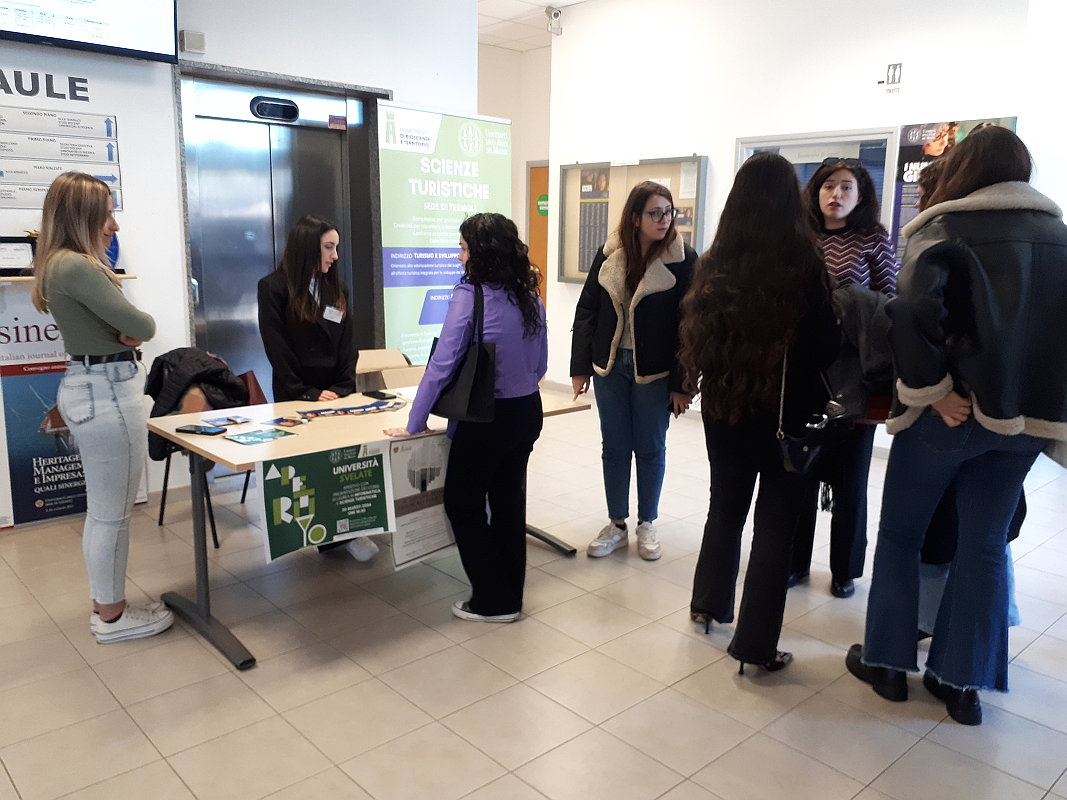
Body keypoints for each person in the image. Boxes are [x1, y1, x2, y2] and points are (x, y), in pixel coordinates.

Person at [846, 126, 1067, 725]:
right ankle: (960, 683)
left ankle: (889, 665)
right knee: (985, 545)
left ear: (966, 166)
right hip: (1021, 427)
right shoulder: (1059, 238)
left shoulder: (942, 228)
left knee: (900, 535)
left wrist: (935, 391)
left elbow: (913, 311)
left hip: (949, 417)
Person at [679, 152, 838, 673]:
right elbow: (824, 347)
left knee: (723, 509)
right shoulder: (804, 266)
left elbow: (700, 341)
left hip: (725, 412)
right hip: (786, 420)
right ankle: (754, 647)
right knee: (774, 527)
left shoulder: (714, 263)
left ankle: (707, 604)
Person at [32, 172, 173, 644]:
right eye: (106, 214)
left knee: (103, 511)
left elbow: (131, 328)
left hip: (91, 385)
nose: (113, 225)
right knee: (111, 514)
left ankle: (104, 606)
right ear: (82, 216)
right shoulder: (77, 266)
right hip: (108, 390)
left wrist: (131, 331)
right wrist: (135, 330)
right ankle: (112, 617)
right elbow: (143, 324)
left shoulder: (56, 263)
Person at [386, 213, 547, 622]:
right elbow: (541, 362)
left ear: (481, 252)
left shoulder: (469, 295)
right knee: (509, 504)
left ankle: (493, 601)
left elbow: (442, 363)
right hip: (527, 412)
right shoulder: (529, 295)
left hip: (486, 420)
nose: (460, 257)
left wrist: (414, 422)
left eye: (463, 248)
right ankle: (511, 594)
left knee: (462, 504)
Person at [790, 158, 900, 598]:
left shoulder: (873, 238)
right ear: (816, 192)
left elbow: (892, 302)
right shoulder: (800, 238)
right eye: (829, 186)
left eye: (847, 187)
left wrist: (848, 302)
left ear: (860, 195)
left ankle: (845, 570)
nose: (836, 195)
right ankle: (795, 563)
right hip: (806, 373)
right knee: (800, 473)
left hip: (855, 374)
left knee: (851, 481)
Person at [570, 181, 697, 561]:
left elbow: (691, 326)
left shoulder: (684, 259)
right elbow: (587, 310)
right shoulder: (610, 253)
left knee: (651, 447)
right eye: (655, 212)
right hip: (610, 367)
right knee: (615, 447)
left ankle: (648, 522)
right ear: (635, 217)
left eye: (668, 212)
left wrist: (684, 385)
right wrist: (580, 368)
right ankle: (616, 523)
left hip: (655, 372)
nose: (664, 219)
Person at [257, 215, 375, 561]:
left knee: (343, 463)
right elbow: (276, 347)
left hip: (336, 393)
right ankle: (321, 533)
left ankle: (345, 532)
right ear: (307, 246)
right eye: (329, 247)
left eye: (335, 247)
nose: (335, 255)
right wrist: (305, 392)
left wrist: (342, 387)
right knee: (309, 468)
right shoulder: (273, 287)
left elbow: (347, 346)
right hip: (297, 394)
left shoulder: (335, 289)